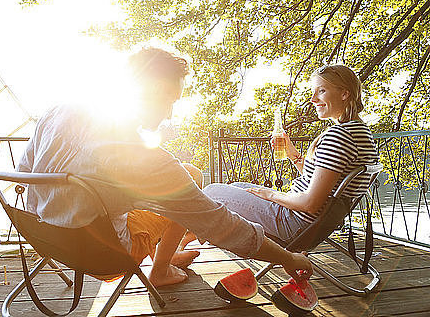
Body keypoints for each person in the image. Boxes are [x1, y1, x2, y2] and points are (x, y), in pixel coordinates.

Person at [18, 47, 312, 287]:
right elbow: (218, 223)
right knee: (188, 182)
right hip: (102, 254)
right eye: (170, 100)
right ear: (152, 90)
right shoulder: (142, 158)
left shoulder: (59, 111)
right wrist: (287, 258)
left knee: (190, 174)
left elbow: (24, 170)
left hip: (46, 236)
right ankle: (160, 271)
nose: (170, 114)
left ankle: (166, 257)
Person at [203, 64, 380, 243]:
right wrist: (291, 152)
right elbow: (322, 182)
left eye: (322, 91)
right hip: (313, 225)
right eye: (314, 91)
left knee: (211, 192)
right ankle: (184, 244)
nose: (313, 99)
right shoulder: (361, 132)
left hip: (294, 222)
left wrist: (270, 194)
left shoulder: (340, 136)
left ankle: (180, 246)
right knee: (236, 186)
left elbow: (310, 204)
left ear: (344, 93)